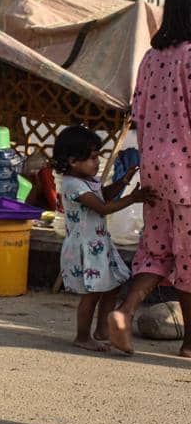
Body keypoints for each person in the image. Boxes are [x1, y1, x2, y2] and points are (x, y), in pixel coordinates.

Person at [108, 0, 191, 357]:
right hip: (187, 171)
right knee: (188, 257)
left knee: (157, 250)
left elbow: (137, 112)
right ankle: (190, 342)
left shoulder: (152, 58)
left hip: (154, 167)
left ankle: (124, 311)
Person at [52, 126, 153, 352]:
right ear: (73, 160)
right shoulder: (72, 184)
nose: (97, 162)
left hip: (98, 245)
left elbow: (103, 195)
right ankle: (82, 336)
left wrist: (123, 182)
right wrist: (132, 198)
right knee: (92, 294)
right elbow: (103, 207)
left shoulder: (88, 180)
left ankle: (102, 330)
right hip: (85, 249)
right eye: (92, 158)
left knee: (112, 285)